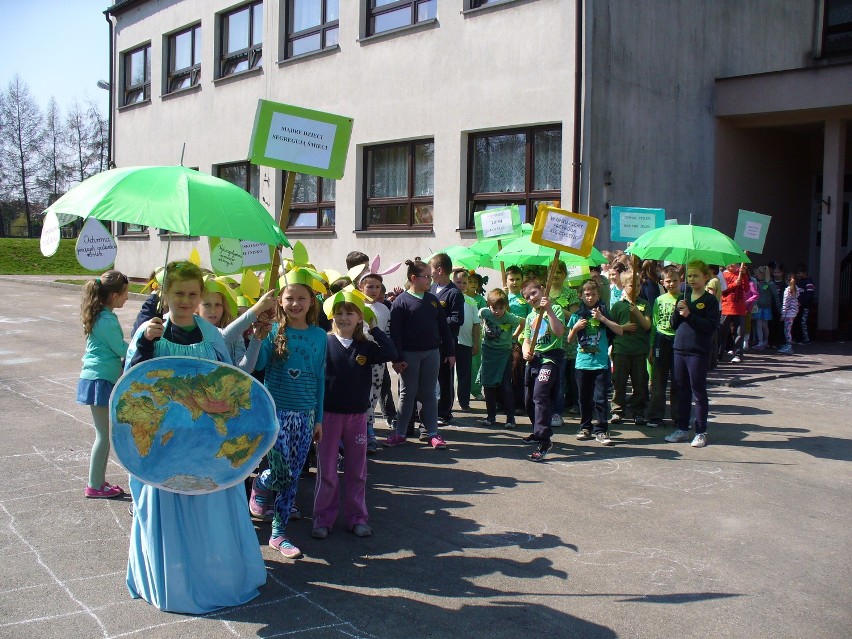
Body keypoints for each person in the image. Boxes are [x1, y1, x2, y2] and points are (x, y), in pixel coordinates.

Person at [124, 260, 266, 613]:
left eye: (192, 293)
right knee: (170, 513)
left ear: (200, 295)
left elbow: (230, 378)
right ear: (165, 294)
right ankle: (174, 581)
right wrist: (144, 344)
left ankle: (213, 577)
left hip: (208, 446)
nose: (185, 300)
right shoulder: (150, 333)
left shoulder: (210, 333)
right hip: (164, 446)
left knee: (210, 512)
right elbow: (130, 386)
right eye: (178, 293)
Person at [250, 270, 327, 559]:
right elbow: (258, 365)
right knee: (280, 471)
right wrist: (258, 337)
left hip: (305, 415)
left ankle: (278, 534)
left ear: (311, 302)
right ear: (280, 301)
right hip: (275, 412)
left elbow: (320, 377)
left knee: (293, 477)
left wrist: (318, 417)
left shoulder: (320, 336)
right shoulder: (273, 331)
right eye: (290, 298)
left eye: (301, 298)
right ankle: (260, 483)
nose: (295, 303)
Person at [311, 294, 397, 541]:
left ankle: (357, 518)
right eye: (339, 313)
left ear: (360, 318)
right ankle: (322, 519)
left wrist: (376, 328)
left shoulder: (366, 347)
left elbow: (391, 352)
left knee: (357, 470)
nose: (344, 317)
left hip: (357, 418)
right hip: (327, 416)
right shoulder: (324, 343)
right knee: (327, 470)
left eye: (350, 313)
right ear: (331, 317)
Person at [384, 259, 455, 450]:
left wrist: (450, 351)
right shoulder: (401, 302)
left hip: (432, 353)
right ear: (413, 278)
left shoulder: (432, 300)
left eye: (431, 277)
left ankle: (433, 433)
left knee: (429, 393)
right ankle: (400, 433)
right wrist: (397, 358)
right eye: (427, 277)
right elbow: (395, 334)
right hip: (409, 355)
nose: (430, 281)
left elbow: (443, 328)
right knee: (408, 394)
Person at [77, 270, 129, 499]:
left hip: (100, 378)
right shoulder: (106, 319)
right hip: (99, 380)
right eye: (126, 293)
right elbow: (121, 349)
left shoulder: (102, 315)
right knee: (103, 436)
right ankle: (94, 485)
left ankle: (97, 481)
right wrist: (144, 349)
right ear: (115, 295)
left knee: (104, 435)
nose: (128, 298)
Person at [664, 260, 721, 448]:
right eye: (689, 276)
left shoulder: (710, 300)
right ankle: (682, 428)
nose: (692, 279)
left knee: (698, 390)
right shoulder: (684, 296)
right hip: (679, 348)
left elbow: (710, 327)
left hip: (698, 351)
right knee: (681, 390)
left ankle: (700, 431)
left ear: (706, 277)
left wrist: (689, 314)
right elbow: (673, 325)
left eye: (696, 275)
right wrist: (678, 311)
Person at [566, 279, 624, 447]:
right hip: (582, 363)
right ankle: (585, 427)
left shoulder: (604, 312)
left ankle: (601, 429)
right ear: (580, 296)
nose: (590, 298)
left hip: (601, 364)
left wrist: (602, 319)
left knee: (600, 399)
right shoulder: (577, 315)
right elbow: (569, 340)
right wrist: (576, 327)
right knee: (584, 399)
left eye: (593, 294)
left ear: (599, 295)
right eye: (586, 294)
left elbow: (619, 330)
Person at [520, 278, 566, 461]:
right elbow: (527, 339)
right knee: (528, 399)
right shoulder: (531, 316)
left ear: (542, 290)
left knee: (540, 395)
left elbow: (559, 332)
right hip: (534, 360)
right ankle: (536, 431)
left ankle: (544, 439)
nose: (531, 298)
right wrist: (525, 352)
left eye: (534, 293)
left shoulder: (554, 309)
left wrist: (548, 310)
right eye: (527, 297)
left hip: (550, 359)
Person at [197, 277, 276, 373]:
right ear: (196, 307)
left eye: (218, 305)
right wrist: (258, 308)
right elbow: (222, 337)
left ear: (224, 307)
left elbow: (244, 370)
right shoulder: (196, 327)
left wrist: (257, 338)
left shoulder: (235, 334)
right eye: (207, 304)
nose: (213, 310)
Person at [477, 288, 524, 428]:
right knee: (488, 384)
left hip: (504, 353)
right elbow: (478, 318)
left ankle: (510, 418)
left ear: (505, 306)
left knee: (505, 385)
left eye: (501, 308)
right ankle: (491, 416)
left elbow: (523, 322)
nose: (497, 311)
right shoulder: (484, 312)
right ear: (488, 305)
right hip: (488, 352)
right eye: (494, 308)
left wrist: (515, 336)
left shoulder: (509, 317)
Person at [609, 271, 652, 425]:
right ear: (624, 286)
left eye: (639, 284)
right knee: (619, 382)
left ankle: (638, 411)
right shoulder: (618, 306)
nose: (636, 288)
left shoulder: (644, 304)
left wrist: (637, 313)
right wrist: (623, 327)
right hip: (621, 350)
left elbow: (647, 326)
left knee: (639, 383)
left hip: (639, 350)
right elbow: (611, 327)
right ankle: (617, 411)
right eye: (632, 285)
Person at [359, 272, 395, 453]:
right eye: (369, 286)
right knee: (362, 393)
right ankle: (365, 430)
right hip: (360, 358)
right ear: (361, 287)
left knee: (375, 392)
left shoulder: (384, 309)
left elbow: (387, 334)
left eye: (377, 287)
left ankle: (369, 427)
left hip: (378, 359)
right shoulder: (357, 307)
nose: (373, 290)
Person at [429, 253, 465, 425]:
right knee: (431, 377)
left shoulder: (454, 293)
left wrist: (437, 320)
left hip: (447, 343)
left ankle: (445, 412)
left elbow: (458, 319)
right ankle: (432, 408)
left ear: (440, 270)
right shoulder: (430, 289)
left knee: (445, 377)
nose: (430, 274)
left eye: (431, 270)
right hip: (431, 342)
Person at [646, 265, 682, 427]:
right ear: (662, 282)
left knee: (678, 380)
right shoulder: (659, 300)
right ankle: (655, 415)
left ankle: (678, 415)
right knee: (658, 380)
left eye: (675, 280)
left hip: (679, 341)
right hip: (661, 339)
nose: (672, 283)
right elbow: (654, 324)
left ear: (681, 280)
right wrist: (652, 346)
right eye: (668, 281)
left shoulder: (684, 299)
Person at [452, 268, 481, 411]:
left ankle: (464, 401)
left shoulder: (471, 301)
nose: (461, 285)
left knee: (465, 373)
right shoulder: (449, 298)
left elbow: (476, 324)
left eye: (464, 282)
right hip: (450, 342)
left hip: (466, 342)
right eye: (458, 282)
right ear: (452, 281)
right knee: (448, 375)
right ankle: (447, 403)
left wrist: (476, 342)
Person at [505, 265, 531, 412]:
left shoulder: (525, 298)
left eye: (517, 279)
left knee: (517, 372)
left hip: (519, 341)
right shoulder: (503, 297)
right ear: (506, 280)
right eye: (511, 279)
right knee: (503, 373)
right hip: (502, 339)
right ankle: (501, 401)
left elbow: (529, 319)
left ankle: (519, 403)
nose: (514, 282)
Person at [718, 263, 749, 363]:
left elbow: (747, 289)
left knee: (740, 332)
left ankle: (738, 354)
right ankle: (719, 354)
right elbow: (723, 290)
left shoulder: (740, 274)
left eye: (734, 262)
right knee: (723, 332)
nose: (731, 264)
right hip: (726, 308)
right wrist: (735, 283)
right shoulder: (723, 275)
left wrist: (744, 275)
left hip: (739, 308)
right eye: (730, 262)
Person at [751, 265, 777, 350]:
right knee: (762, 325)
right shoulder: (763, 283)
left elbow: (775, 296)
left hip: (763, 306)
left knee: (762, 325)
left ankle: (763, 341)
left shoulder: (768, 284)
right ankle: (762, 341)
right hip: (762, 306)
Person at [779, 273, 801, 355]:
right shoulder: (796, 289)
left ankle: (788, 346)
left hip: (788, 314)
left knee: (787, 330)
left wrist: (782, 314)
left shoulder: (788, 290)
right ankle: (788, 345)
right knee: (788, 329)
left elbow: (785, 303)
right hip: (794, 313)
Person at [793, 263, 815, 344]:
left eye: (800, 273)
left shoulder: (809, 282)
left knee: (803, 321)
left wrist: (802, 302)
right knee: (798, 321)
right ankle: (799, 338)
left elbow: (810, 294)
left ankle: (806, 339)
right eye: (797, 273)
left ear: (805, 273)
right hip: (798, 306)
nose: (798, 275)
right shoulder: (799, 283)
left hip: (806, 306)